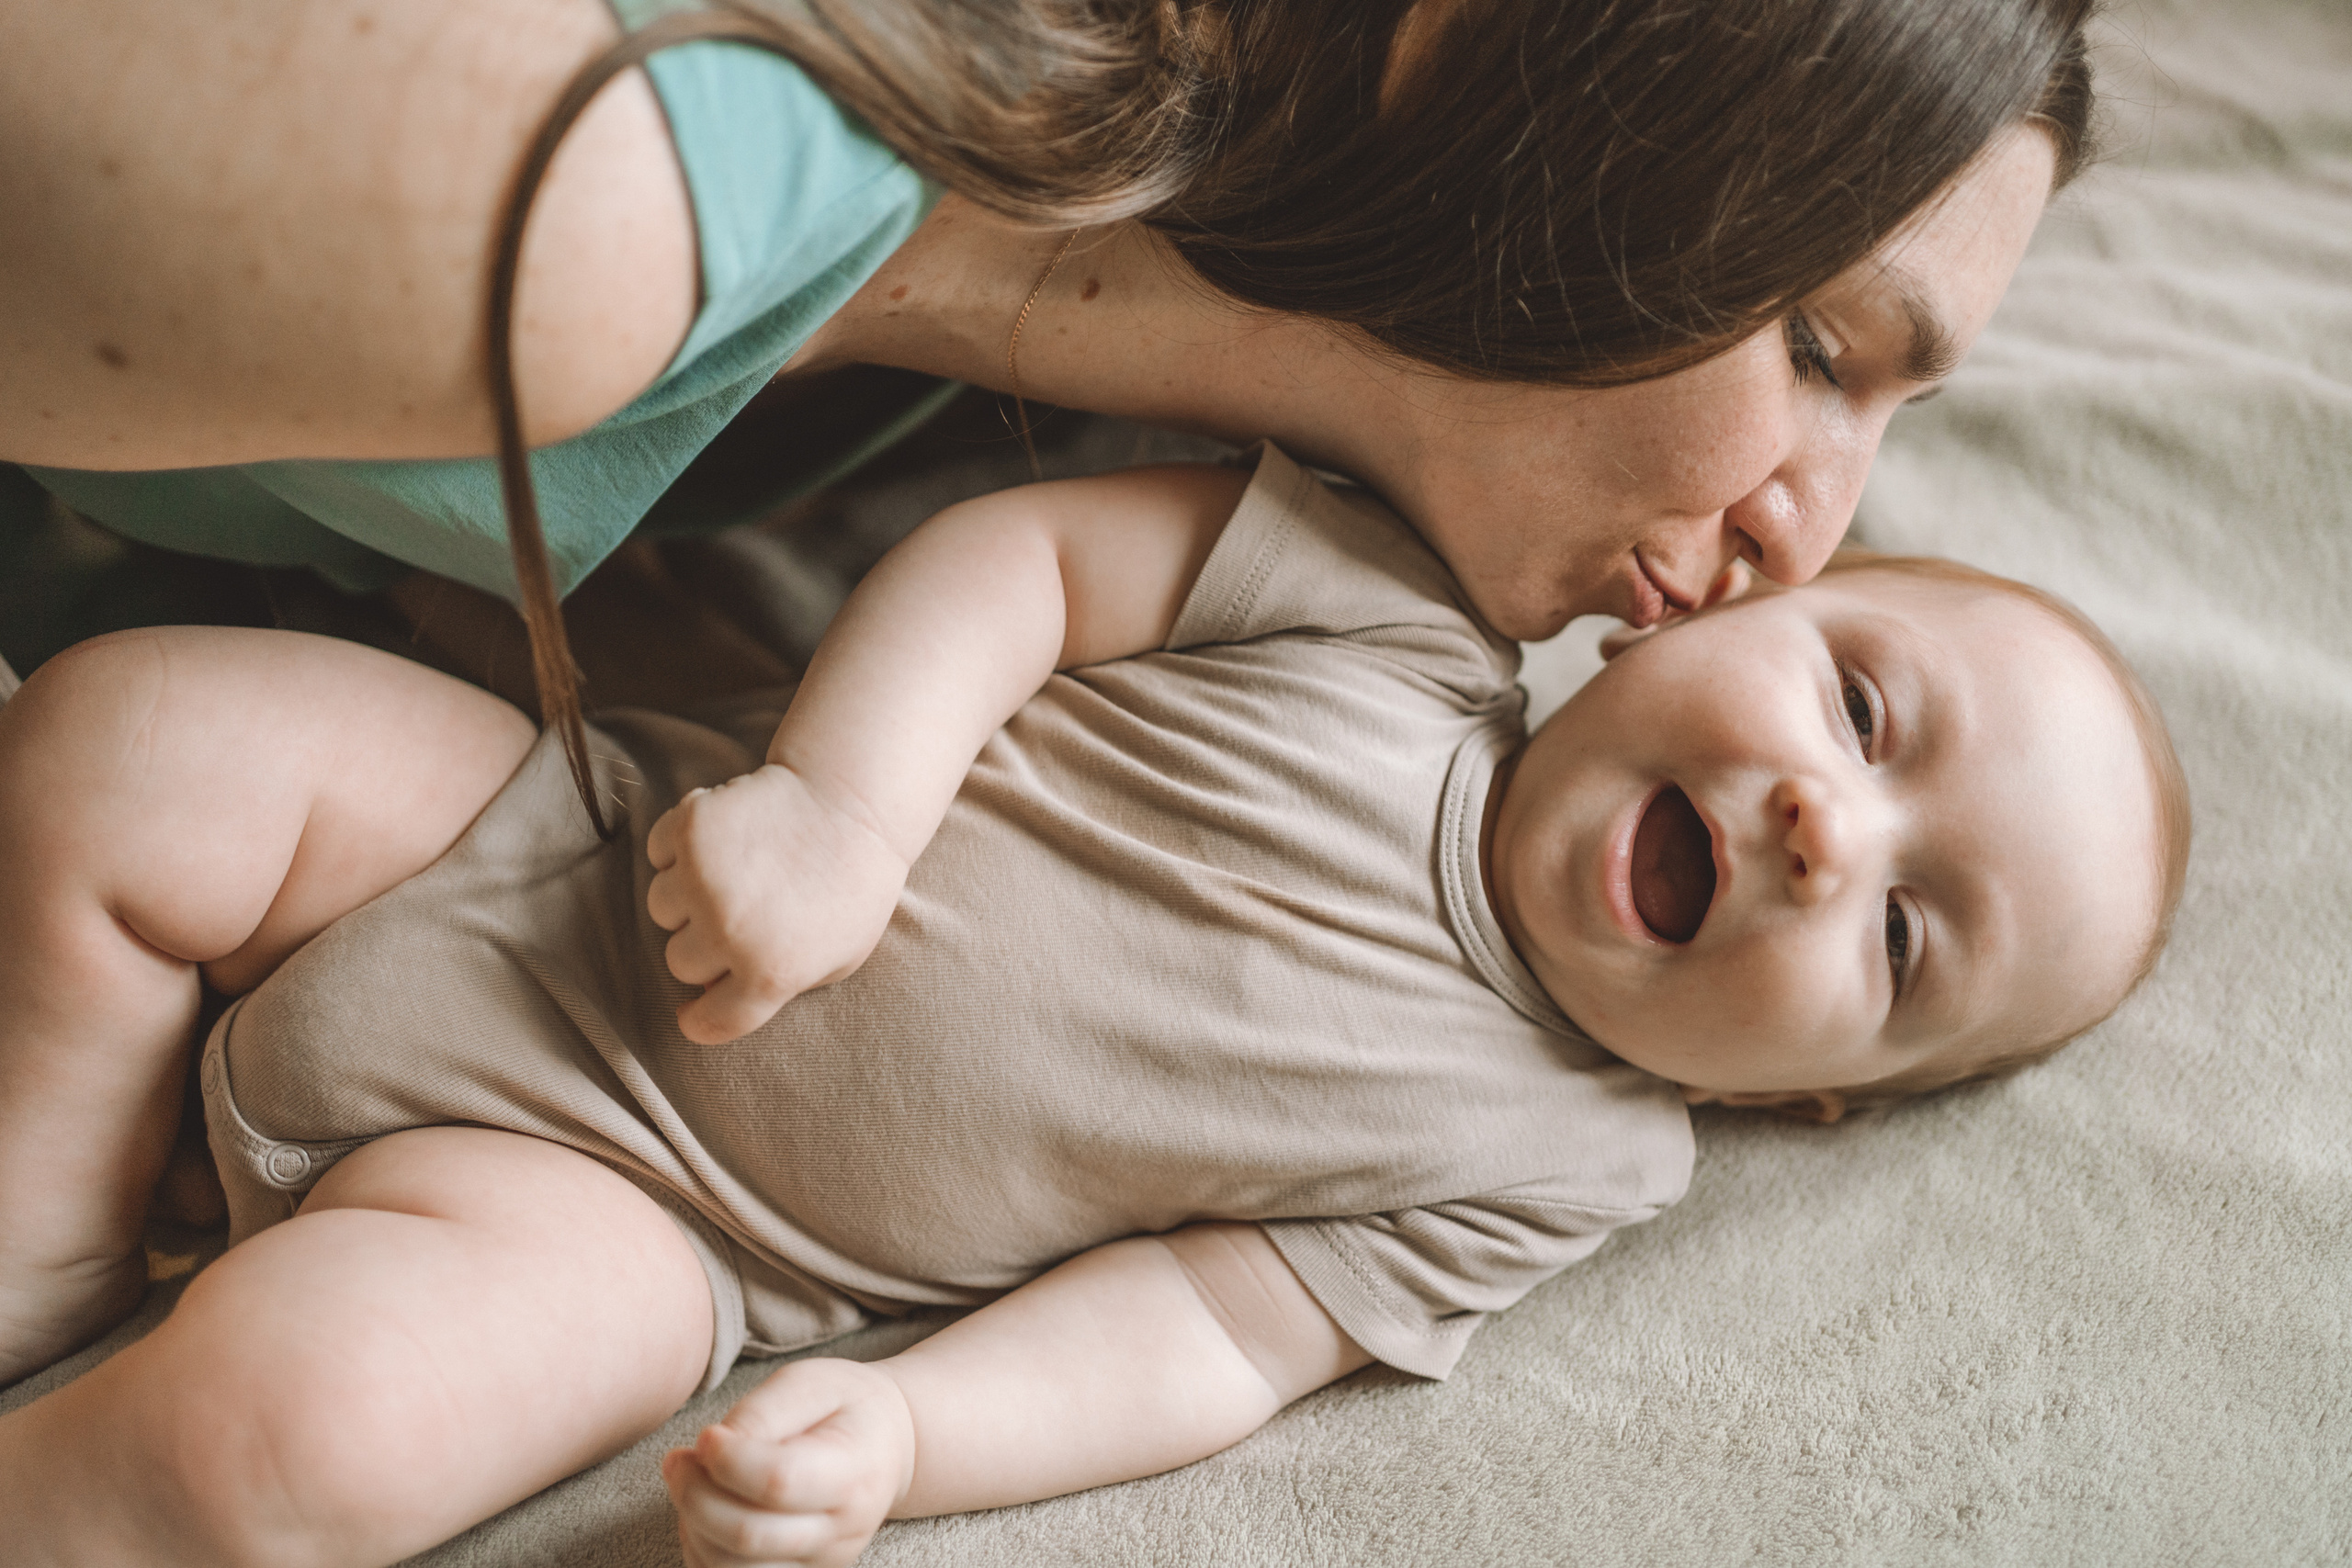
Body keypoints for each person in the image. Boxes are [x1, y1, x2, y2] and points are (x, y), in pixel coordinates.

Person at [0, 444, 2188, 1565]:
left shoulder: (1556, 1154)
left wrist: (916, 1433)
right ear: (1687, 618)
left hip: (648, 1220)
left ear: (1818, 1102)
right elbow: (1024, 561)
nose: (1831, 835)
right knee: (127, 743)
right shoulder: (1387, 614)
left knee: (292, 1441)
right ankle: (59, 1225)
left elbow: (1212, 1329)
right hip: (563, 834)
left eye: (1905, 941)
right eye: (1860, 703)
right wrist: (840, 819)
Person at [2, 0, 2093, 655]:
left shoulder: (1000, 363)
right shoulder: (599, 200)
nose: (1799, 543)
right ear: (1567, 128)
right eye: (1819, 351)